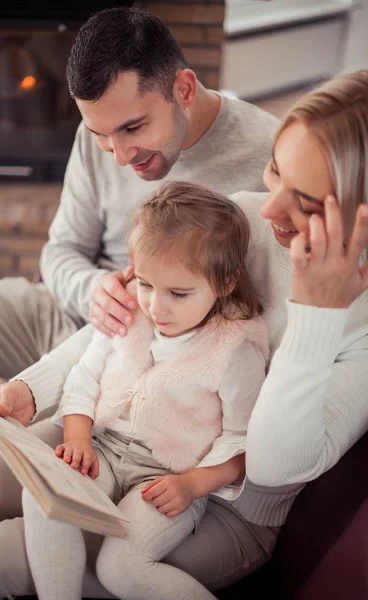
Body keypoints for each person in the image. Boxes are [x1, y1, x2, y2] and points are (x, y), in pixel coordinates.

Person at [0, 70, 368, 599]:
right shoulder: (243, 219)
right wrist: (34, 388)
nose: (269, 206)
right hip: (118, 439)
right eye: (275, 170)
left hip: (218, 506)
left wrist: (316, 317)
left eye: (307, 202)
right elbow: (123, 326)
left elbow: (270, 468)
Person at [0, 6, 276, 393]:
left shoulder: (269, 156)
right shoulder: (94, 138)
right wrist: (93, 289)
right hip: (64, 316)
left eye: (134, 127)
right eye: (102, 134)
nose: (119, 156)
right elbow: (61, 251)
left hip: (143, 360)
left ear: (184, 89)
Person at [22, 181, 269, 600]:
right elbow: (85, 375)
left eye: (178, 293)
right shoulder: (132, 311)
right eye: (146, 284)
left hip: (169, 477)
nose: (156, 306)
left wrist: (192, 485)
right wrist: (78, 438)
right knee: (45, 497)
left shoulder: (235, 350)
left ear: (225, 283)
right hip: (104, 449)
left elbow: (242, 442)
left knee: (119, 567)